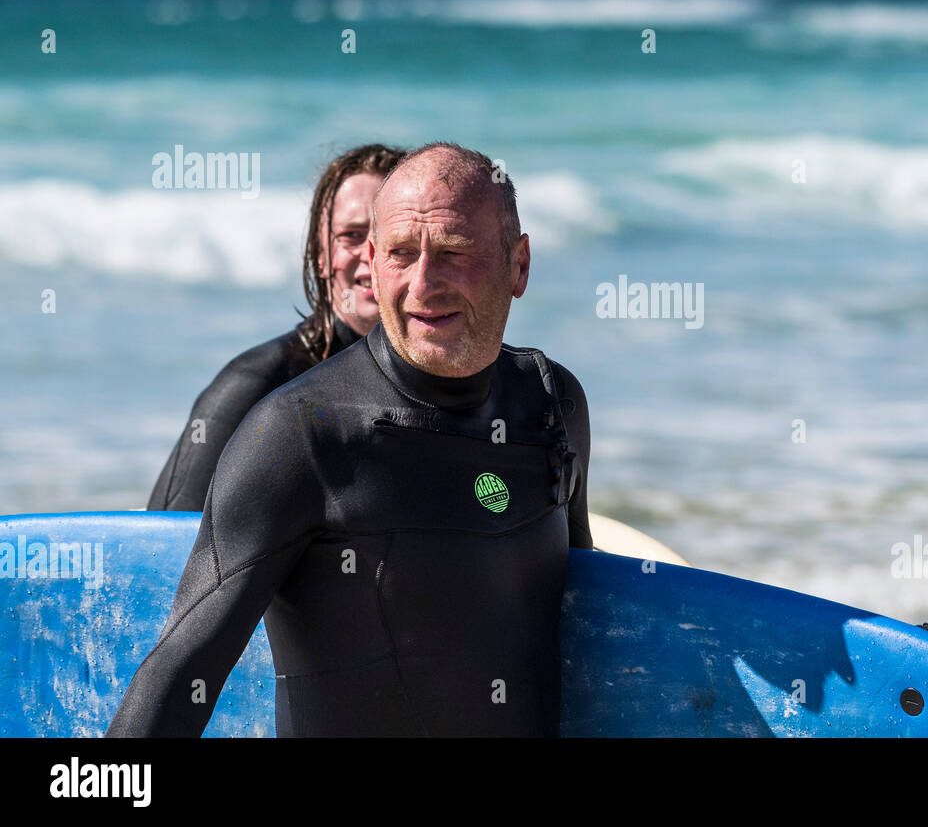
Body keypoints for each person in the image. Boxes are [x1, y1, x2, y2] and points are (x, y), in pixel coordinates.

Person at [108, 142, 593, 737]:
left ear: (518, 265)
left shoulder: (551, 404)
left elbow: (590, 619)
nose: (423, 283)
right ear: (372, 259)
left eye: (454, 252)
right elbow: (175, 681)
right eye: (400, 254)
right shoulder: (297, 435)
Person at [147, 144, 406, 513]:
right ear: (320, 255)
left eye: (390, 234)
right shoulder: (256, 384)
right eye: (350, 235)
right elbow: (165, 543)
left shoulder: (438, 387)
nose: (371, 252)